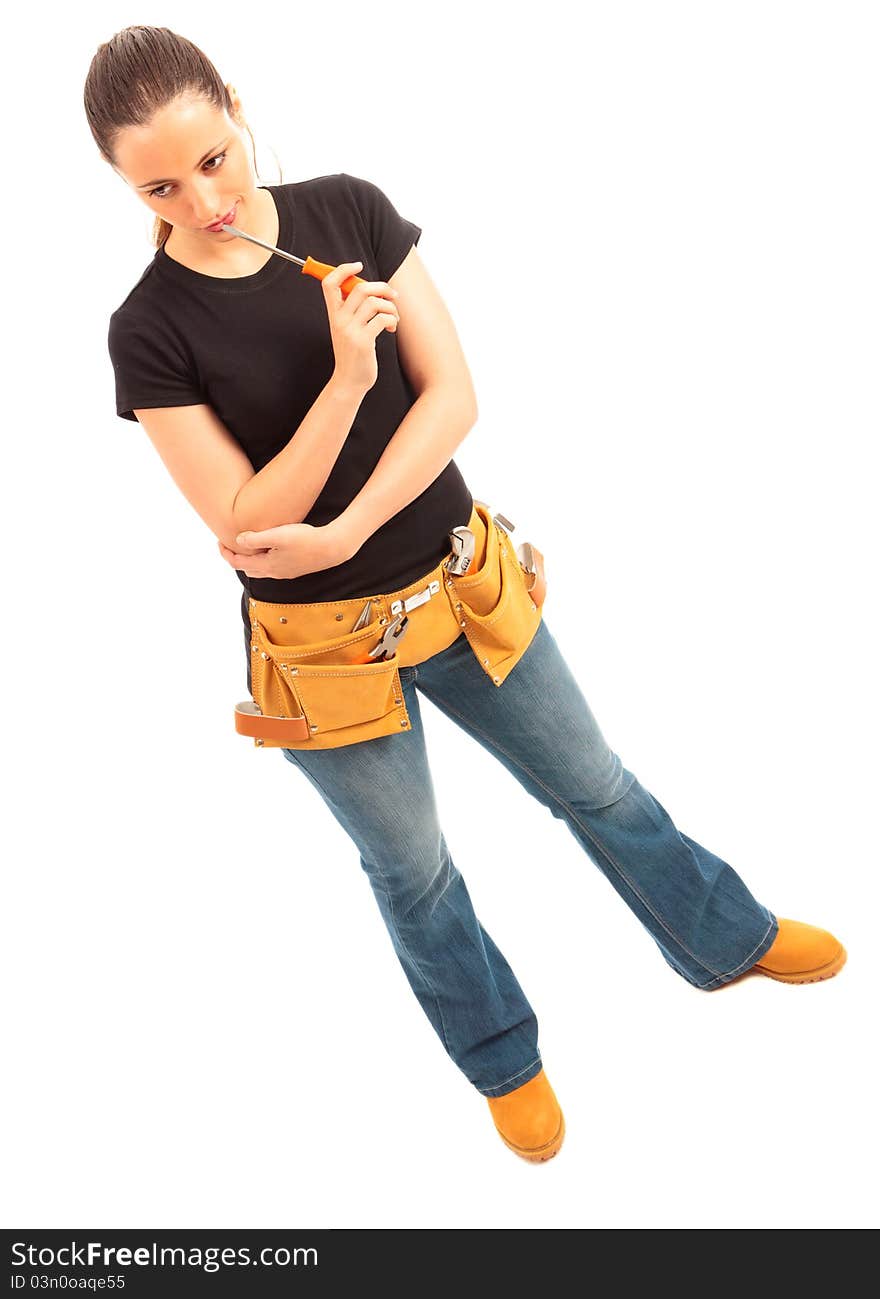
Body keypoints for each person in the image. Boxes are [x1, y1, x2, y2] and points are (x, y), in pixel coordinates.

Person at [86, 24, 846, 1164]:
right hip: (321, 648)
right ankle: (502, 1061)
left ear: (235, 110)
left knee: (597, 784)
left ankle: (723, 940)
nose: (205, 200)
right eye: (160, 185)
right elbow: (241, 521)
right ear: (119, 183)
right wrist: (345, 382)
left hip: (460, 579)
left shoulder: (347, 210)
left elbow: (452, 398)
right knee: (413, 869)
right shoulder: (148, 329)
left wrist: (342, 523)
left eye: (215, 160)